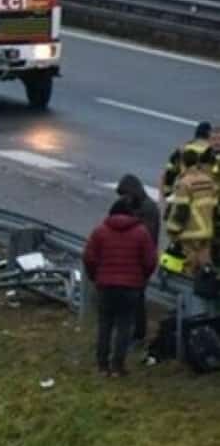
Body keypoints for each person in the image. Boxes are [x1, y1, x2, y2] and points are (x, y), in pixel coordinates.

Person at [83, 198, 157, 377]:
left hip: (105, 285)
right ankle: (118, 366)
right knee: (125, 325)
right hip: (130, 287)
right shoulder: (141, 232)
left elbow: (89, 258)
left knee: (105, 324)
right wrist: (141, 278)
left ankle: (102, 366)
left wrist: (96, 276)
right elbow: (150, 261)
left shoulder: (100, 231)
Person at [117, 174, 160, 345]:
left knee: (137, 297)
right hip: (133, 258)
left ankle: (138, 333)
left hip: (141, 260)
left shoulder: (147, 208)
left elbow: (146, 236)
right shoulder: (137, 206)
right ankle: (133, 331)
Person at [166, 148, 218, 276]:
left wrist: (173, 231)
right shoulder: (208, 180)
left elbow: (181, 211)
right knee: (205, 266)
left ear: (183, 163)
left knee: (189, 267)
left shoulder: (185, 183)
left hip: (190, 233)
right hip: (207, 230)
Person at [159, 121, 212, 209]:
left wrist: (167, 194)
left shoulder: (182, 150)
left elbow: (169, 173)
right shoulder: (213, 152)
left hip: (184, 195)